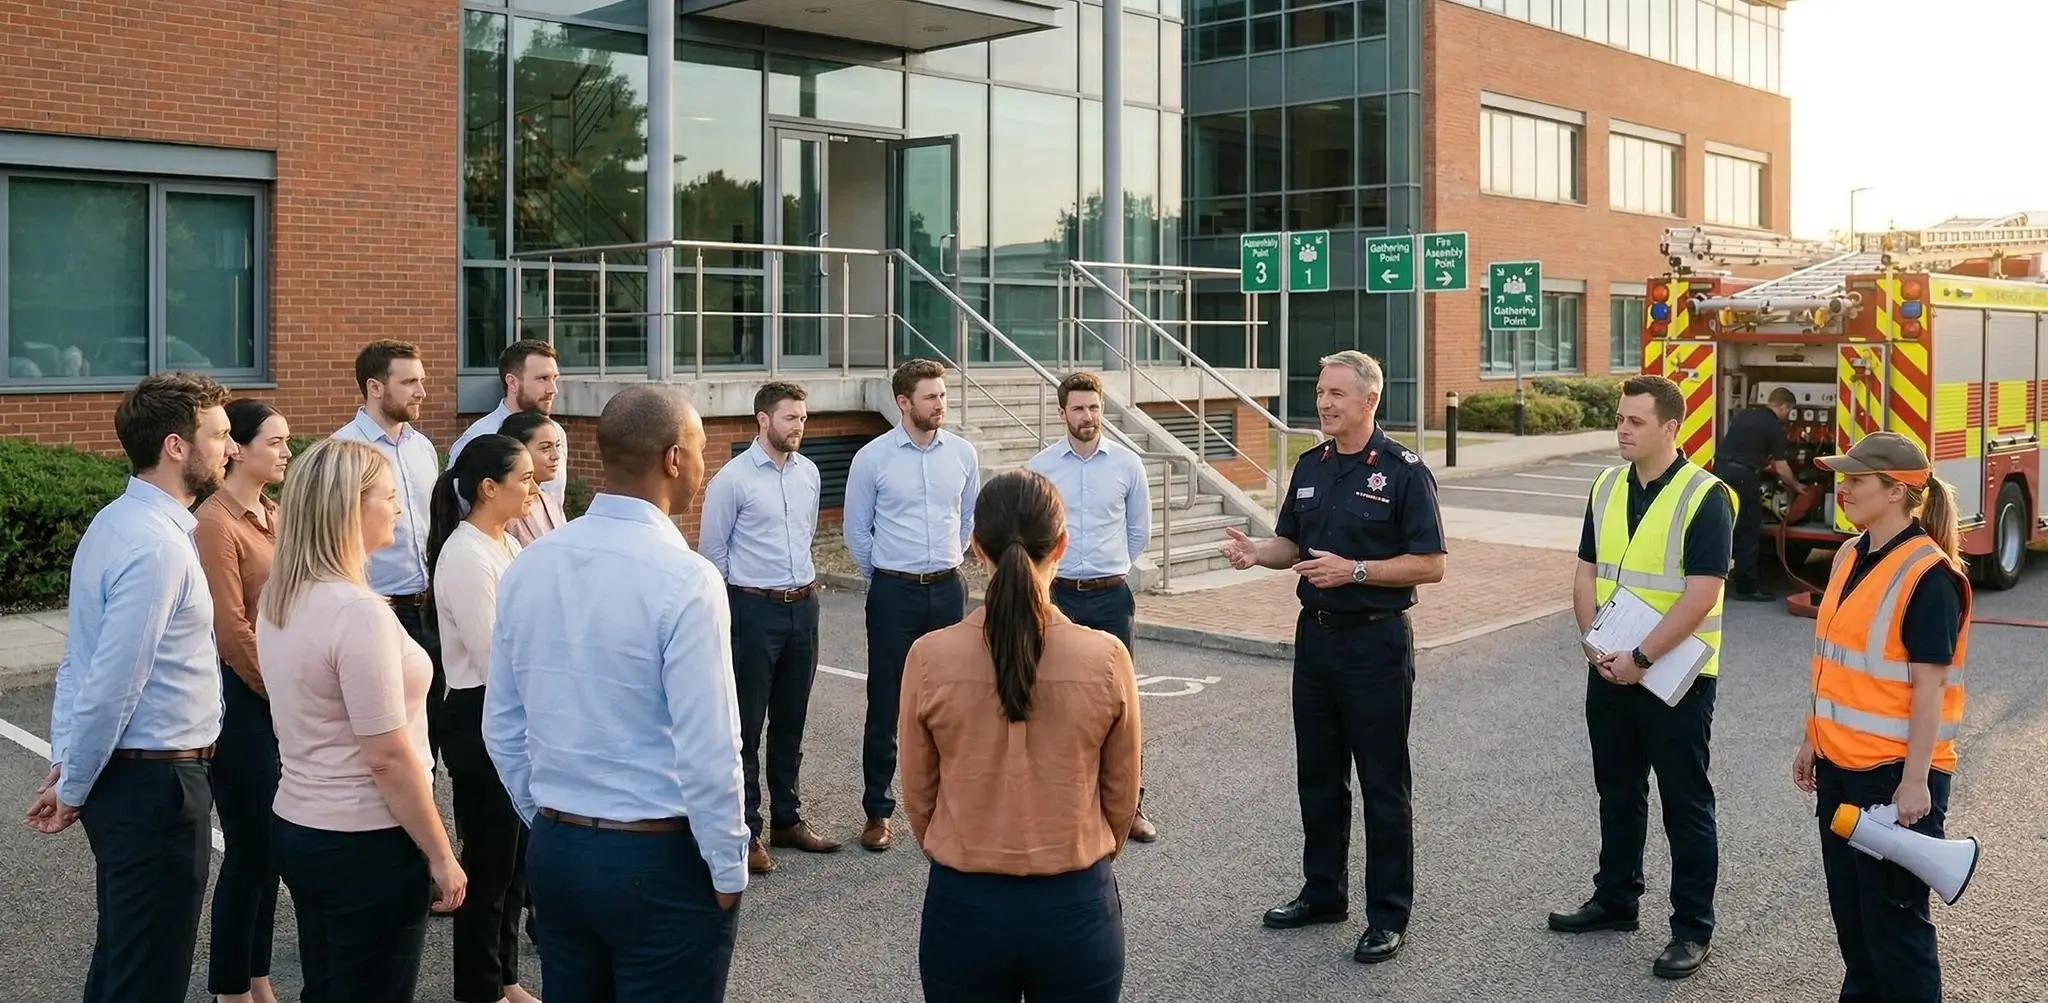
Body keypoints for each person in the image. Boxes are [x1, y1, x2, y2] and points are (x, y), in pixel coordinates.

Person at [486, 386, 749, 1003]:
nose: (704, 466)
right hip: (657, 858)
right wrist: (728, 864)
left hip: (559, 848)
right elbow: (711, 746)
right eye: (701, 449)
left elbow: (501, 723)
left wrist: (548, 816)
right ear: (674, 459)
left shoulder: (530, 563)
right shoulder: (686, 577)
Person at [1218, 350, 1445, 966]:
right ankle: (1323, 894)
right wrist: (1256, 552)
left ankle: (1387, 914)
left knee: (1381, 783)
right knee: (1318, 775)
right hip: (1315, 639)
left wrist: (1358, 571)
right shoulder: (1311, 464)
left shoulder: (1403, 471)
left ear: (1369, 401)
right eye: (1321, 392)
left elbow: (1432, 563)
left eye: (1336, 394)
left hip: (1375, 641)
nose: (1323, 403)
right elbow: (1292, 543)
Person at [28, 373, 235, 1003]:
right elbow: (112, 683)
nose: (230, 447)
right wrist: (74, 781)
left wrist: (70, 762)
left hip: (142, 782)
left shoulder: (117, 523)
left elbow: (80, 664)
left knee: (126, 960)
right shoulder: (157, 549)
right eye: (220, 434)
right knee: (148, 973)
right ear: (177, 446)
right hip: (157, 787)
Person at [900, 469, 1142, 1003]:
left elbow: (918, 794)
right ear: (1062, 544)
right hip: (1075, 901)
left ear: (975, 547)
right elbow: (1121, 794)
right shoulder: (1105, 658)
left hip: (964, 902)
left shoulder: (928, 657)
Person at [257, 438, 467, 1003]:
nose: (399, 508)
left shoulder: (283, 595)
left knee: (328, 985)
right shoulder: (358, 613)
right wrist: (442, 855)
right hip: (365, 839)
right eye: (390, 496)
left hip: (302, 823)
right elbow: (386, 755)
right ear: (352, 507)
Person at [1548, 374, 1732, 981]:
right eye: (1620, 419)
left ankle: (1691, 929)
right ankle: (1615, 899)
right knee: (1617, 791)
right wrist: (1593, 643)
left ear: (1671, 427)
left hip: (1675, 677)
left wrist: (1642, 658)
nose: (1623, 430)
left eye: (1636, 421)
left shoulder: (1704, 495)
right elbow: (1585, 570)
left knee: (1685, 803)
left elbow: (1701, 594)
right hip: (1608, 667)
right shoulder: (1605, 485)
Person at [1793, 432, 1970, 1003]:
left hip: (1895, 779)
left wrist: (1915, 782)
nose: (1842, 489)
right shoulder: (1849, 553)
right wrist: (1810, 740)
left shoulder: (1929, 576)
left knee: (1896, 927)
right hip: (1842, 766)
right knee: (1853, 915)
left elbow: (1929, 691)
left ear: (1897, 492)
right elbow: (1833, 664)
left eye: (1856, 480)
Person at [699, 381, 840, 873]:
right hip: (752, 609)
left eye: (802, 418)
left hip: (803, 606)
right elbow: (712, 557)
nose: (799, 426)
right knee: (746, 726)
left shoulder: (810, 474)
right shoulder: (732, 480)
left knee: (792, 719)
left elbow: (805, 539)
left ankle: (788, 819)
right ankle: (749, 829)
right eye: (789, 418)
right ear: (763, 419)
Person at [842, 358, 980, 852]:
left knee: (954, 699)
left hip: (947, 588)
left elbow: (967, 519)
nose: (940, 405)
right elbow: (856, 532)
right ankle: (878, 812)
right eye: (930, 397)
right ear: (904, 403)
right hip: (892, 593)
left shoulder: (963, 454)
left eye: (942, 396)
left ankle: (950, 805)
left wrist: (948, 561)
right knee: (887, 701)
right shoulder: (872, 458)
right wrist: (883, 576)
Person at [428, 434, 542, 1003]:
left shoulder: (507, 546)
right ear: (488, 488)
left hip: (513, 712)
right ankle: (479, 988)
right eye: (524, 478)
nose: (535, 487)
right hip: (480, 715)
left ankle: (507, 978)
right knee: (490, 862)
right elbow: (496, 654)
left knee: (516, 860)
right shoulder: (467, 555)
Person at [1024, 371, 1160, 843]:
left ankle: (1129, 805)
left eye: (1095, 408)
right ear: (1062, 414)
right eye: (1079, 409)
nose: (1088, 417)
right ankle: (1057, 804)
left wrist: (1111, 565)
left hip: (1110, 596)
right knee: (1050, 698)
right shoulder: (1040, 467)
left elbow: (1138, 532)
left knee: (1119, 701)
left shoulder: (1127, 465)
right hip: (1056, 598)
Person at [195, 398, 292, 1003]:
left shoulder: (274, 515)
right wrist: (282, 697)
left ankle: (257, 978)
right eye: (276, 442)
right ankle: (231, 988)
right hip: (244, 696)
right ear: (239, 448)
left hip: (279, 693)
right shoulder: (214, 522)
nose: (286, 452)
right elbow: (232, 631)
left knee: (270, 851)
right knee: (251, 848)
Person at [332, 339, 447, 763]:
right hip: (379, 608)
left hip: (428, 608)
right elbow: (336, 535)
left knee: (428, 729)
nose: (421, 392)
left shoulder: (422, 448)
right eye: (410, 382)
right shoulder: (344, 451)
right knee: (383, 732)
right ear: (375, 388)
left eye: (422, 381)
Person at [450, 340, 568, 503]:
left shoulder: (556, 433)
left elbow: (556, 504)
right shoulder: (478, 437)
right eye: (542, 379)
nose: (553, 389)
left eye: (554, 378)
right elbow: (457, 509)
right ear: (512, 382)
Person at [1719, 386, 1800, 602]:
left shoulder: (1744, 415)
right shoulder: (1774, 427)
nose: (1788, 415)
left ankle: (1719, 576)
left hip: (1720, 472)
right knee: (1748, 528)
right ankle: (1748, 588)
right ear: (1782, 406)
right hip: (1744, 477)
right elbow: (1782, 468)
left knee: (1725, 525)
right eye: (1789, 410)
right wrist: (1797, 487)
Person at [499, 409, 569, 545]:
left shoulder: (550, 501)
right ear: (519, 451)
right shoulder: (506, 512)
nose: (556, 456)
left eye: (557, 446)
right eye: (545, 448)